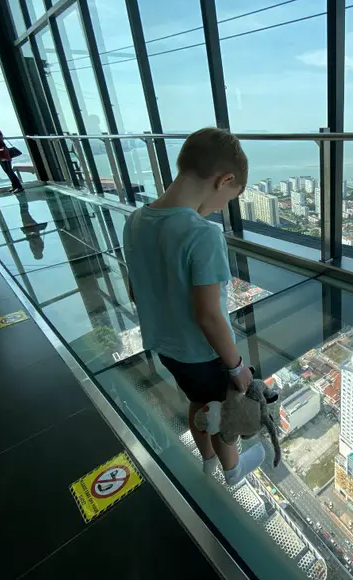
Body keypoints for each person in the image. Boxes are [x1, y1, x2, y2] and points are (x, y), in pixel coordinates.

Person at [123, 127, 263, 486]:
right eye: (230, 196)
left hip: (165, 346)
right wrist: (235, 368)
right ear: (225, 179)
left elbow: (135, 291)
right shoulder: (203, 234)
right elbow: (208, 315)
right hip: (202, 353)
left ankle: (207, 461)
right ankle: (233, 471)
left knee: (198, 403)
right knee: (223, 413)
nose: (222, 206)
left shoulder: (135, 221)